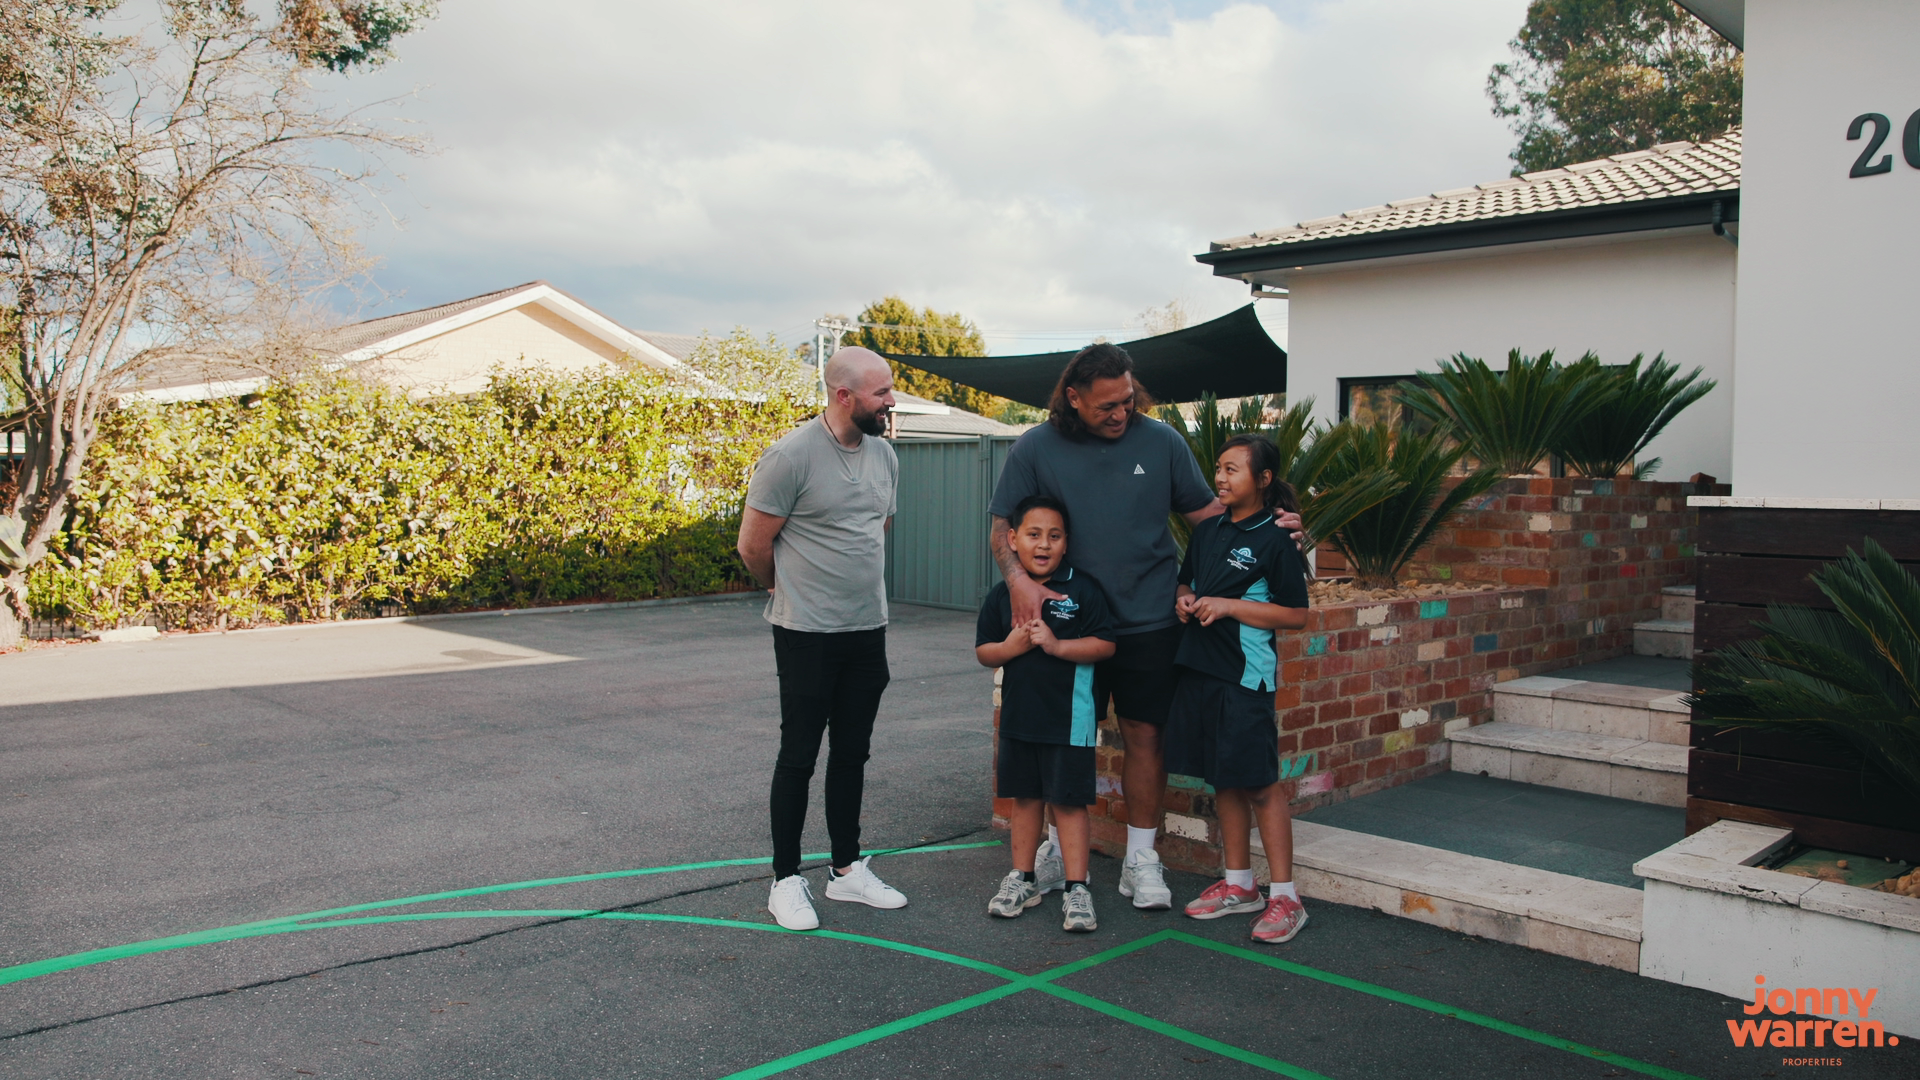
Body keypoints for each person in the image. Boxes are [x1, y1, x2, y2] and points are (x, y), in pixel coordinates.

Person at [987, 344, 1302, 910]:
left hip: (1149, 621)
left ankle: (1141, 859)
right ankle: (1055, 853)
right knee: (1062, 740)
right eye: (1106, 405)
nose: (1120, 413)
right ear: (1074, 398)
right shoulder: (1035, 446)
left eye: (1127, 401)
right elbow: (1001, 530)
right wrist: (1019, 581)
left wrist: (1273, 531)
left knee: (1145, 736)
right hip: (1067, 625)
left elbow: (1212, 518)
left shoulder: (1161, 441)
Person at [737, 346, 909, 931]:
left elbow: (874, 530)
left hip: (868, 630)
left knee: (853, 753)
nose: (891, 401)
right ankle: (785, 880)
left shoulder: (885, 456)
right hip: (806, 633)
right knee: (799, 757)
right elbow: (753, 547)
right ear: (844, 396)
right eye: (881, 392)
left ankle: (845, 871)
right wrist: (783, 591)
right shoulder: (790, 457)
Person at [1167, 434, 1311, 943]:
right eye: (1219, 469)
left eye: (1232, 470)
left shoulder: (1278, 536)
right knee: (1223, 778)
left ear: (1264, 480)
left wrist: (1228, 606)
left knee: (1259, 784)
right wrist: (1187, 600)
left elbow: (1296, 614)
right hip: (1201, 671)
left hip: (1245, 678)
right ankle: (1239, 885)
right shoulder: (1208, 531)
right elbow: (1187, 584)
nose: (1221, 479)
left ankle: (1286, 897)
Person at [975, 495, 1117, 932]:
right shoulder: (1003, 595)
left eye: (1054, 536)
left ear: (1066, 543)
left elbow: (1106, 644)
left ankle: (1078, 886)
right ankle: (1024, 878)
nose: (1043, 544)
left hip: (1069, 722)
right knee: (1025, 800)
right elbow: (984, 652)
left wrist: (1056, 646)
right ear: (1013, 540)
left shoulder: (1084, 589)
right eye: (1033, 535)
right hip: (1020, 720)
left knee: (1069, 804)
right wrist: (1011, 648)